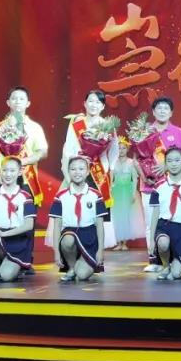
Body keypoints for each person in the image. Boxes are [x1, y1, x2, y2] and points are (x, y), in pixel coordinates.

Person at [136, 96, 181, 272]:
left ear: (171, 112)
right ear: (153, 112)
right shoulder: (143, 131)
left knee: (174, 221)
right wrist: (144, 176)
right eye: (159, 108)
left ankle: (174, 257)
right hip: (149, 185)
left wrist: (166, 166)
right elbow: (136, 159)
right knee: (150, 224)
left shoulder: (178, 132)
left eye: (166, 108)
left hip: (172, 186)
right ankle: (154, 260)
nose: (162, 111)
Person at [61, 89, 118, 250]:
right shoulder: (76, 125)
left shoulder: (108, 126)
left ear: (103, 106)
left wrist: (111, 170)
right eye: (90, 101)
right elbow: (69, 149)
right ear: (85, 104)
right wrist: (69, 172)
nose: (94, 105)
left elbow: (114, 151)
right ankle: (77, 243)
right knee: (78, 206)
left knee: (99, 209)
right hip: (79, 172)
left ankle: (98, 247)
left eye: (98, 102)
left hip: (100, 173)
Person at [0, 85, 48, 205]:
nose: (18, 102)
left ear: (28, 103)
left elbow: (42, 152)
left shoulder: (35, 127)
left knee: (26, 216)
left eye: (21, 99)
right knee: (1, 215)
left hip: (26, 180)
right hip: (2, 180)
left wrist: (23, 161)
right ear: (8, 103)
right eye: (14, 99)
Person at [147, 147, 181, 281]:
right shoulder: (159, 186)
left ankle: (175, 264)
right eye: (170, 161)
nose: (173, 164)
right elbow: (155, 214)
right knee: (163, 243)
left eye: (177, 160)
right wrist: (151, 241)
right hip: (164, 226)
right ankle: (165, 266)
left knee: (176, 275)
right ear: (165, 163)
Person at [49, 155, 106, 283]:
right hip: (70, 233)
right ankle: (71, 267)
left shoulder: (96, 195)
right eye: (73, 169)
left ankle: (82, 264)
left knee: (82, 275)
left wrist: (100, 250)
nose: (77, 172)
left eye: (81, 169)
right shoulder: (60, 196)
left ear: (87, 172)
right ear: (68, 172)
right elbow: (57, 226)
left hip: (89, 236)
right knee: (68, 239)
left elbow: (100, 225)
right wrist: (56, 252)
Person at [0, 156, 36, 283]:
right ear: (0, 171)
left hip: (17, 241)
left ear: (19, 172)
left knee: (6, 276)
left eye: (12, 171)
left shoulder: (25, 197)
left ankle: (16, 266)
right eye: (4, 170)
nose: (8, 174)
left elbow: (29, 225)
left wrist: (4, 234)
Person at [109, 137, 142, 250]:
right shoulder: (113, 162)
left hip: (127, 191)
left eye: (124, 148)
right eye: (119, 148)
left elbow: (135, 179)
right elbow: (111, 180)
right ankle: (119, 243)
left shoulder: (131, 162)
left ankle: (125, 243)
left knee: (127, 216)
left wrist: (133, 193)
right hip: (117, 191)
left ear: (127, 149)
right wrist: (110, 191)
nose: (121, 150)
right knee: (117, 216)